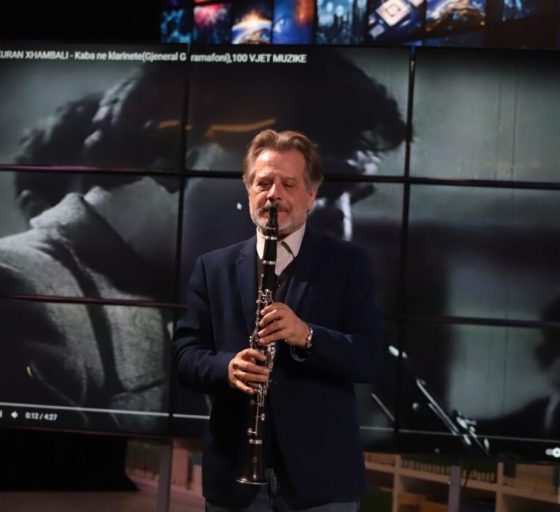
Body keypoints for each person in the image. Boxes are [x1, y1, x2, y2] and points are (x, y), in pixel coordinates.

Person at [173, 129, 381, 510]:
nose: (274, 194)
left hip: (321, 482)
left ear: (311, 195)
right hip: (235, 477)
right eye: (263, 183)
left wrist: (308, 335)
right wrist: (227, 368)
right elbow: (185, 356)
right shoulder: (212, 268)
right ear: (248, 189)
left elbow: (368, 358)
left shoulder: (349, 265)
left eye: (288, 184)